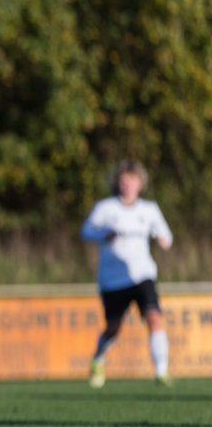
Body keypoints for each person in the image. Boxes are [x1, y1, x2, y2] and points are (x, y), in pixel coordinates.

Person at [80, 160, 173, 388]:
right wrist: (103, 234)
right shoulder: (106, 208)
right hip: (112, 280)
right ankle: (98, 358)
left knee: (154, 317)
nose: (128, 185)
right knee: (113, 328)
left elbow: (167, 237)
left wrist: (162, 240)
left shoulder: (149, 210)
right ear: (118, 183)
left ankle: (161, 371)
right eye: (124, 181)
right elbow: (86, 231)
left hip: (142, 275)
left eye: (132, 180)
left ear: (140, 184)